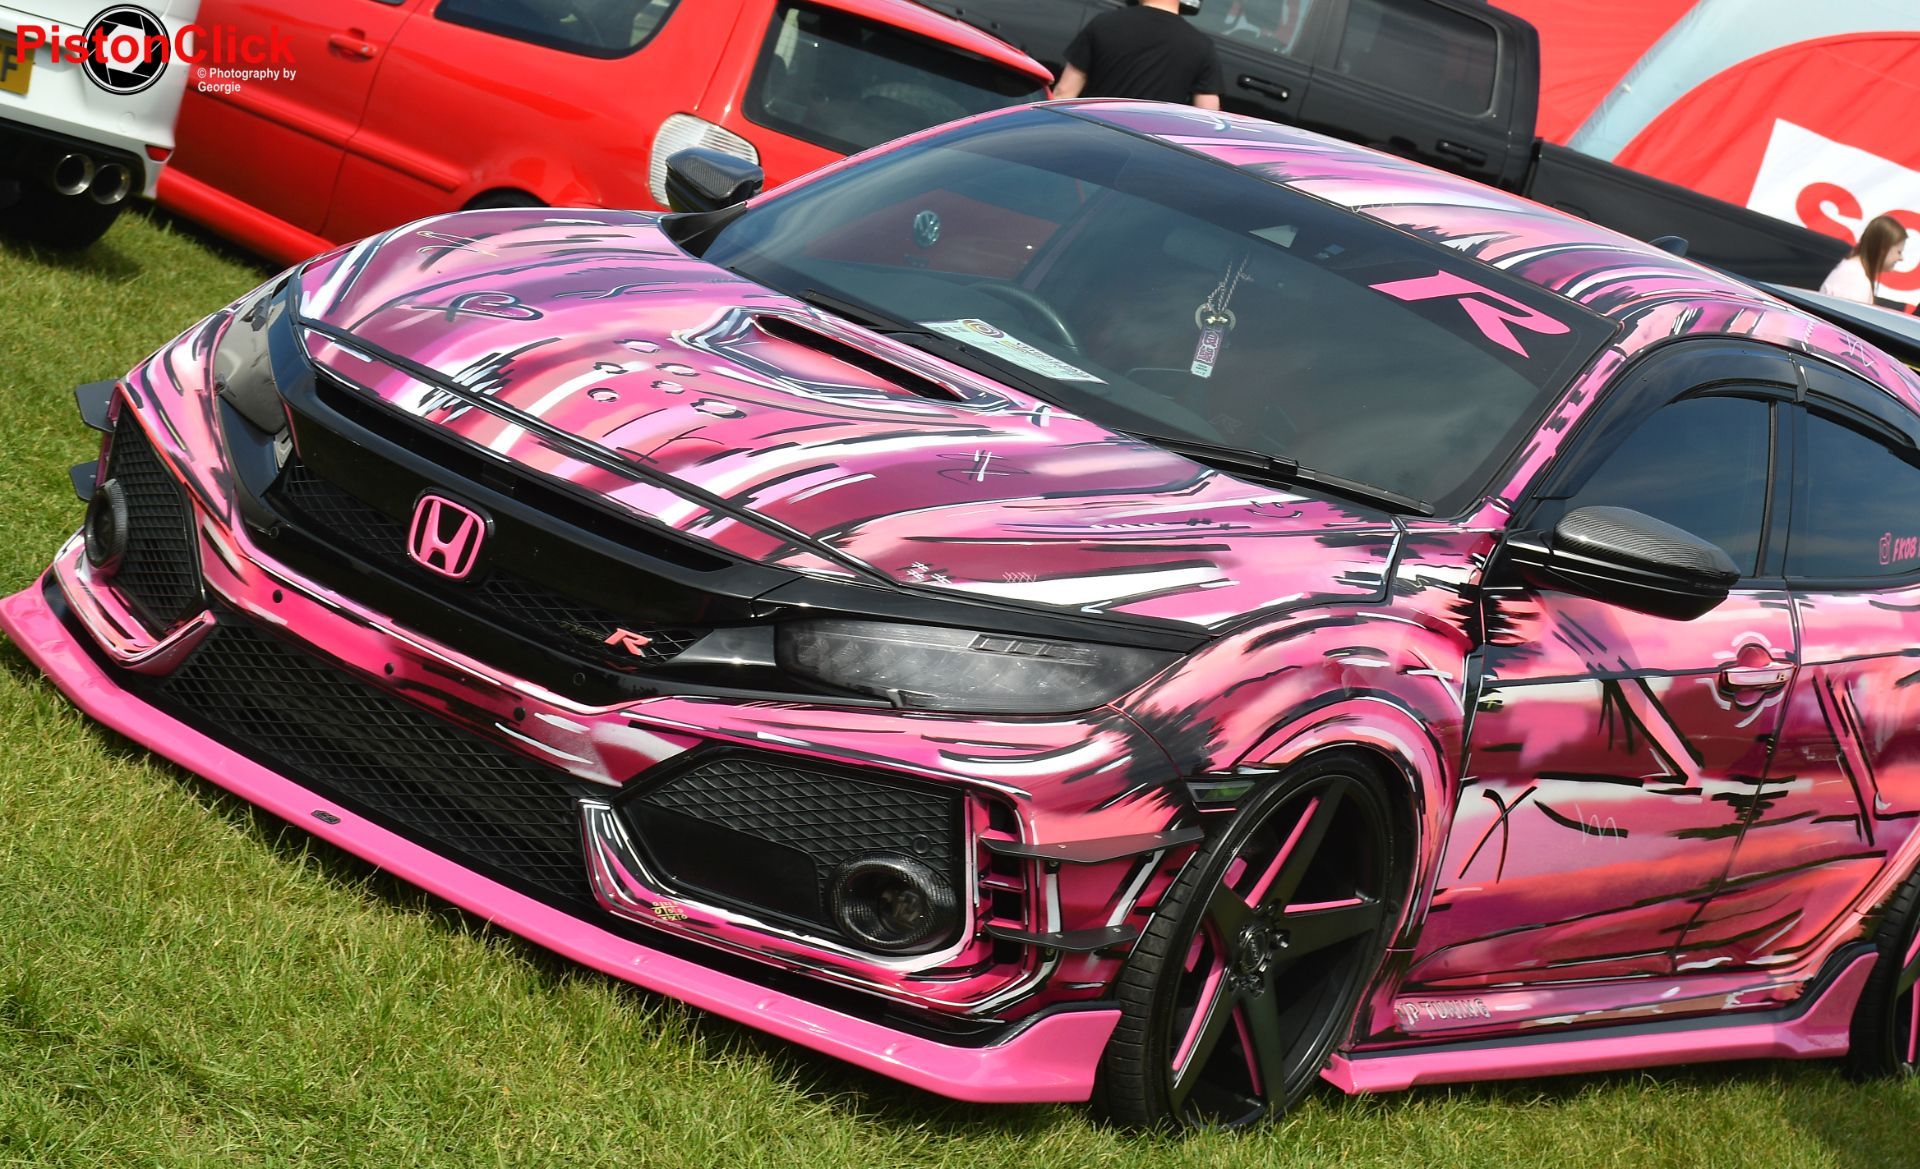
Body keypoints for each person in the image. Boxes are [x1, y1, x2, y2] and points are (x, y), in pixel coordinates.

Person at [1052, 0, 1224, 111]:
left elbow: (1064, 92)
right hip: (1147, 150)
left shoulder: (1104, 23)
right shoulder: (1202, 45)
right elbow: (1208, 116)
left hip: (1093, 133)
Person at [1820, 214, 1909, 305]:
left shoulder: (1853, 272)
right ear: (1883, 249)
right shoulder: (1855, 281)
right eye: (1899, 252)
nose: (1901, 258)